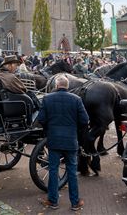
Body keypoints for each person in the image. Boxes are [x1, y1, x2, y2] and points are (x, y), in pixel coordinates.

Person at [37, 74, 88, 211]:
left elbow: (41, 119)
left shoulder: (47, 99)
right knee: (72, 171)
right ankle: (75, 202)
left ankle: (53, 201)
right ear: (68, 86)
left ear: (56, 86)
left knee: (53, 170)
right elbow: (85, 120)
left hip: (54, 140)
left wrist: (49, 130)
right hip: (71, 140)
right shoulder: (76, 99)